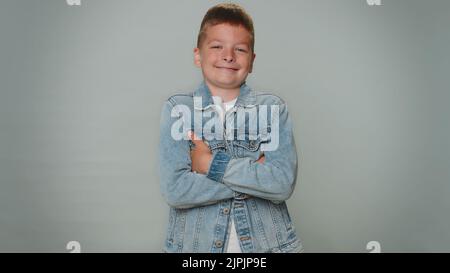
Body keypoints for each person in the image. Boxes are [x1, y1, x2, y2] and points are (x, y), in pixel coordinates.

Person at [159, 3, 303, 253]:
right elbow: (176, 190)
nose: (228, 56)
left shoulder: (273, 109)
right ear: (197, 55)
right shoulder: (178, 110)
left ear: (252, 60)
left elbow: (281, 184)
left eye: (240, 49)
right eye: (217, 47)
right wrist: (254, 178)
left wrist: (208, 165)